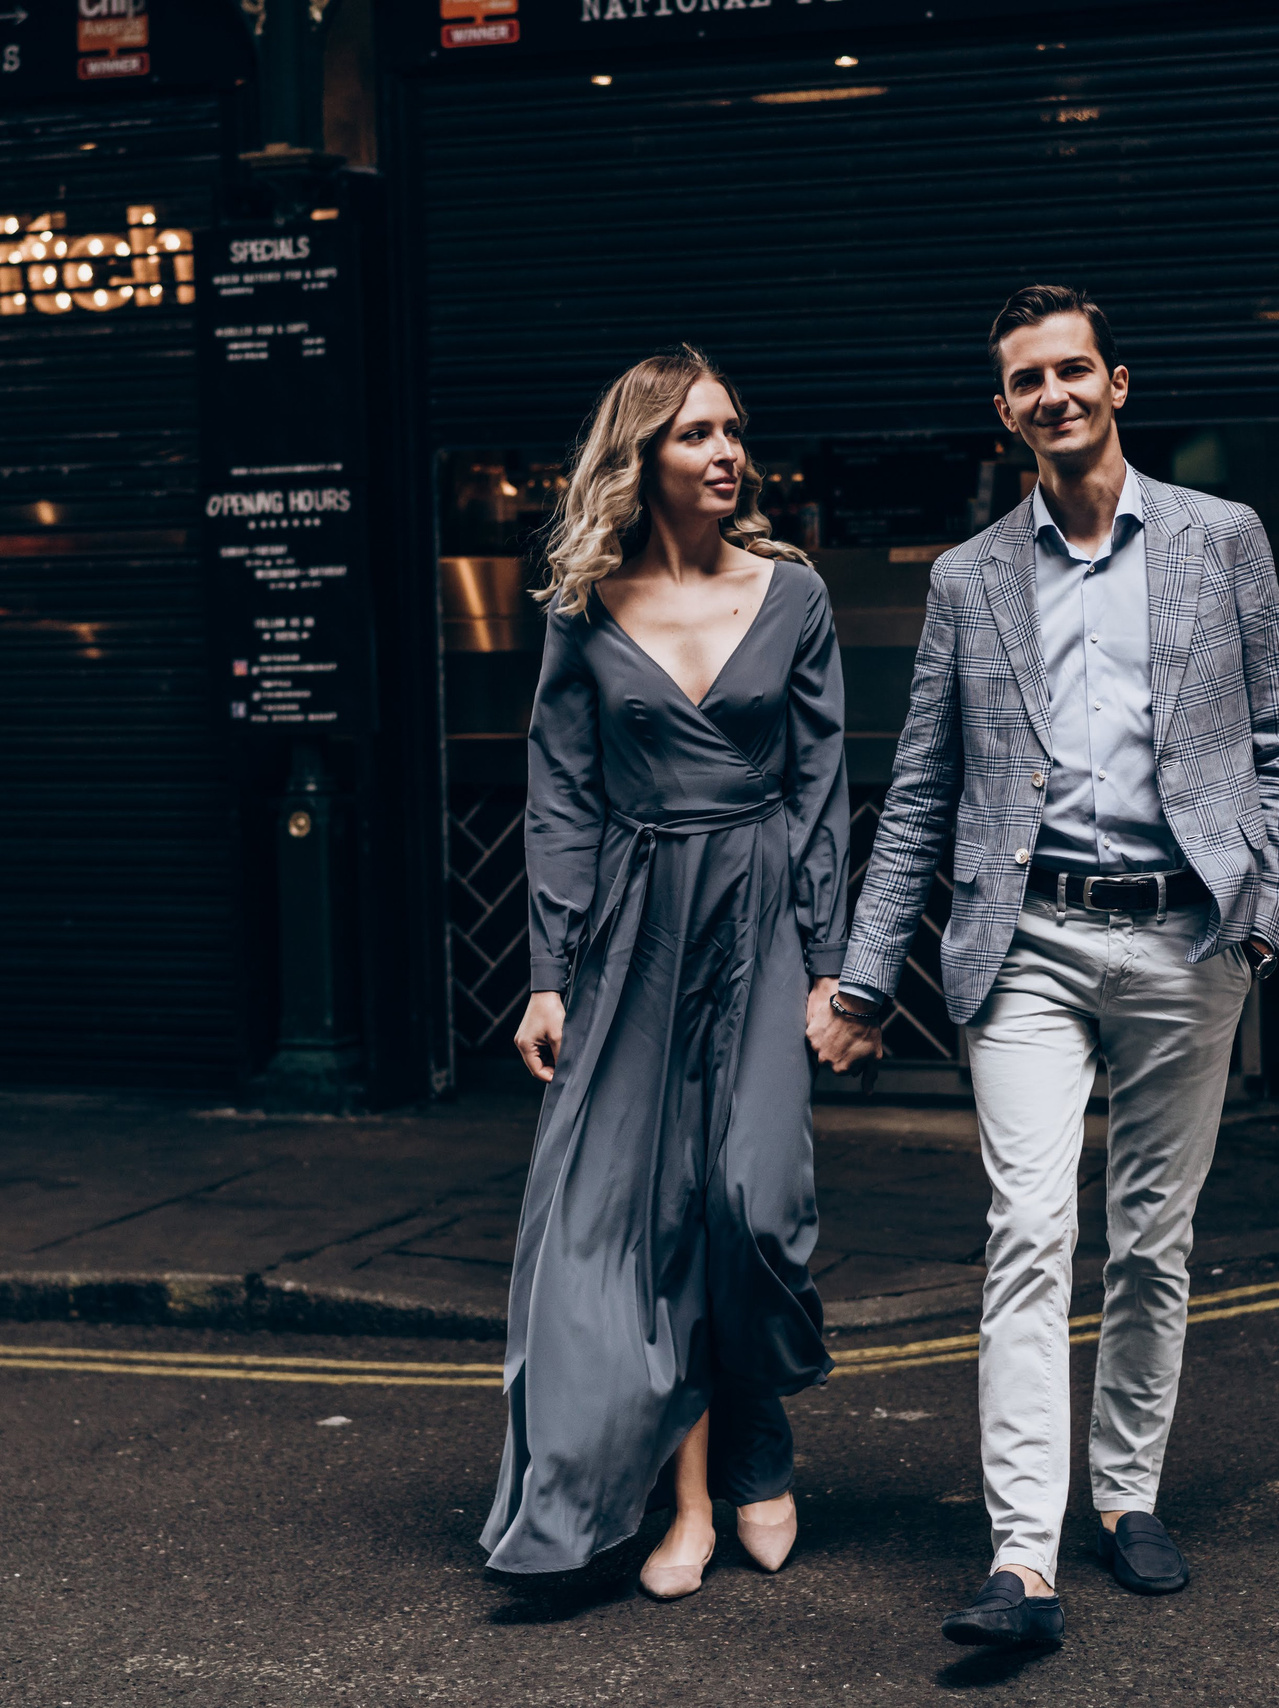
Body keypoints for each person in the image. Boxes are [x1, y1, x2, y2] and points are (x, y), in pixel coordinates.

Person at [810, 285, 1279, 1647]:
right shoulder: (969, 577)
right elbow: (919, 791)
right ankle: (1022, 1554)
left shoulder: (1223, 541)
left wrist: (1261, 919)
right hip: (1024, 940)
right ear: (1005, 411)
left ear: (1118, 383)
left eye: (1073, 370)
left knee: (1153, 1239)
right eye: (1028, 380)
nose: (1055, 395)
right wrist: (863, 979)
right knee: (1029, 1232)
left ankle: (1129, 1495)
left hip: (1185, 936)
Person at [481, 347, 850, 1600]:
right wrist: (548, 973)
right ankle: (686, 1498)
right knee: (645, 1222)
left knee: (749, 1200)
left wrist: (833, 964)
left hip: (756, 916)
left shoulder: (792, 595)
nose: (725, 452)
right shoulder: (581, 604)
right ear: (641, 457)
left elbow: (818, 791)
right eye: (696, 433)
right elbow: (560, 799)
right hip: (635, 925)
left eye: (733, 430)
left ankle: (759, 1437)